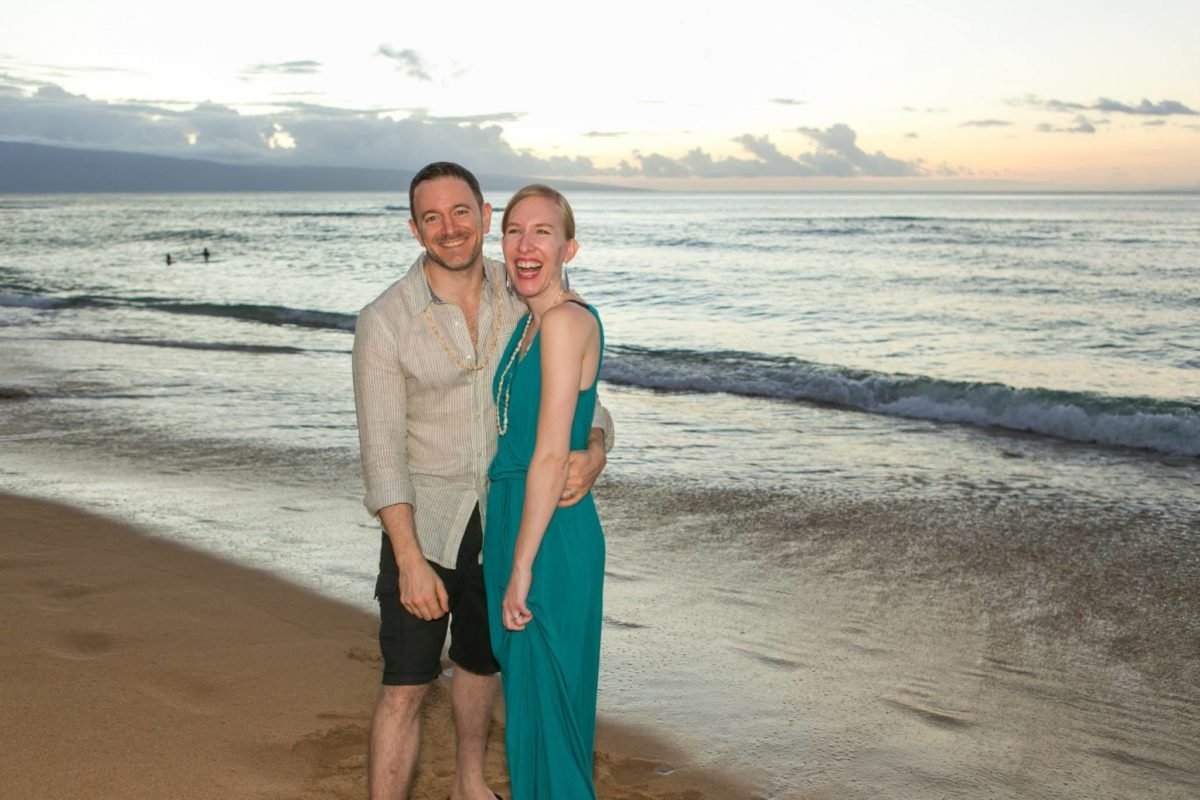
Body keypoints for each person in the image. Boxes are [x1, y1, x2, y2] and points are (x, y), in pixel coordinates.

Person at [351, 162, 613, 800]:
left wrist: (598, 449)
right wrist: (409, 560)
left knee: (480, 665)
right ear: (415, 230)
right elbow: (381, 451)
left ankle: (470, 785)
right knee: (407, 683)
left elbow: (585, 400)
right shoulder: (384, 320)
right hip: (430, 524)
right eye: (433, 217)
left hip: (502, 522)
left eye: (461, 212)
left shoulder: (523, 292)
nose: (450, 228)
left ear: (484, 216)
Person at [483, 185, 606, 799]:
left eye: (542, 232)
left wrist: (521, 566)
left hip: (548, 534)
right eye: (513, 231)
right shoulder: (531, 325)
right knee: (529, 706)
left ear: (569, 247)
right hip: (516, 515)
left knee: (551, 713)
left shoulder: (563, 322)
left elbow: (554, 453)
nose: (525, 245)